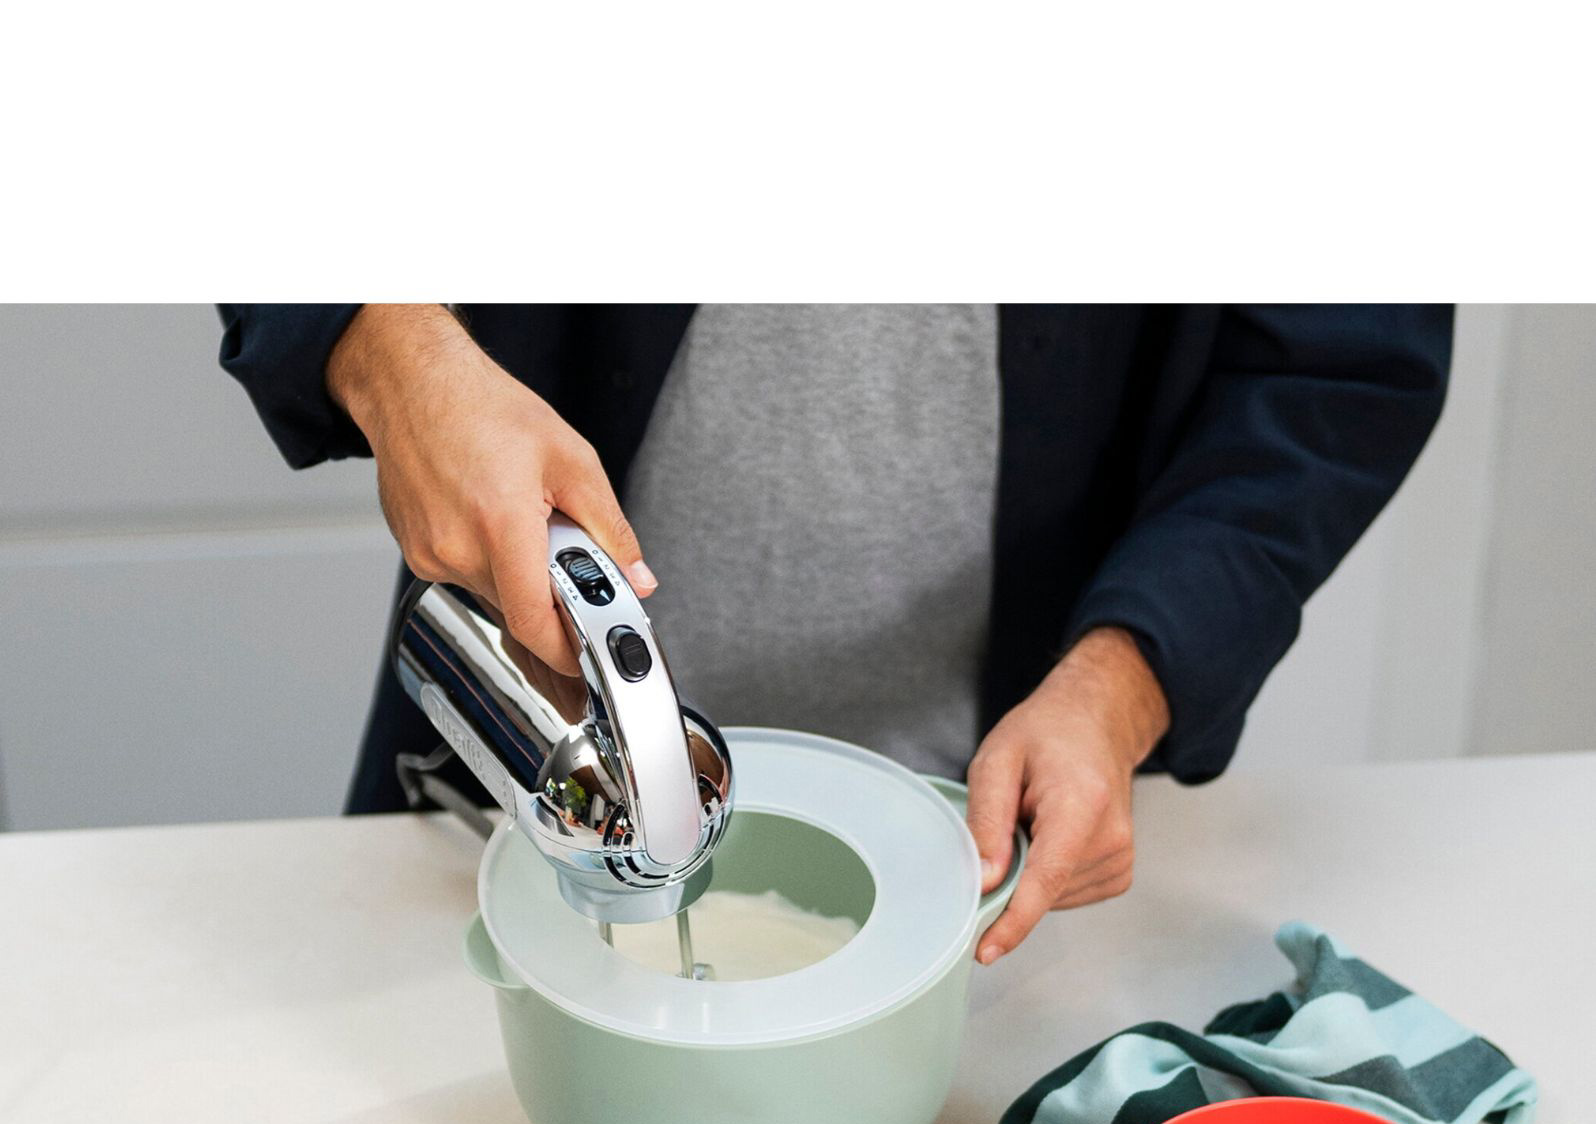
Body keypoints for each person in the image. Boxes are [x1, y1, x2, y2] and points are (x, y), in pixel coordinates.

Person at [218, 304, 1451, 963]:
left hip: (990, 847)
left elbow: (1339, 367)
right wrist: (389, 348)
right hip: (514, 792)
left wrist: (1125, 677)